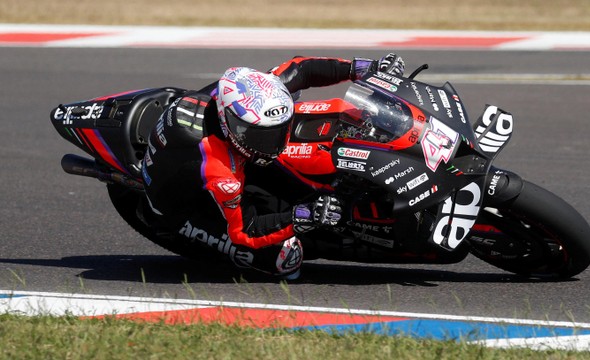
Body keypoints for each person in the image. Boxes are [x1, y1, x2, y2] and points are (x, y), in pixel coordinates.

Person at [140, 53, 405, 279]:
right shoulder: (219, 171)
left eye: (276, 132)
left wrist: (363, 68)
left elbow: (303, 69)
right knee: (286, 260)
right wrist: (305, 214)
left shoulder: (254, 92)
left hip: (221, 150)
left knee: (308, 173)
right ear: (230, 124)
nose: (276, 142)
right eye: (262, 136)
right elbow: (245, 229)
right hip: (180, 206)